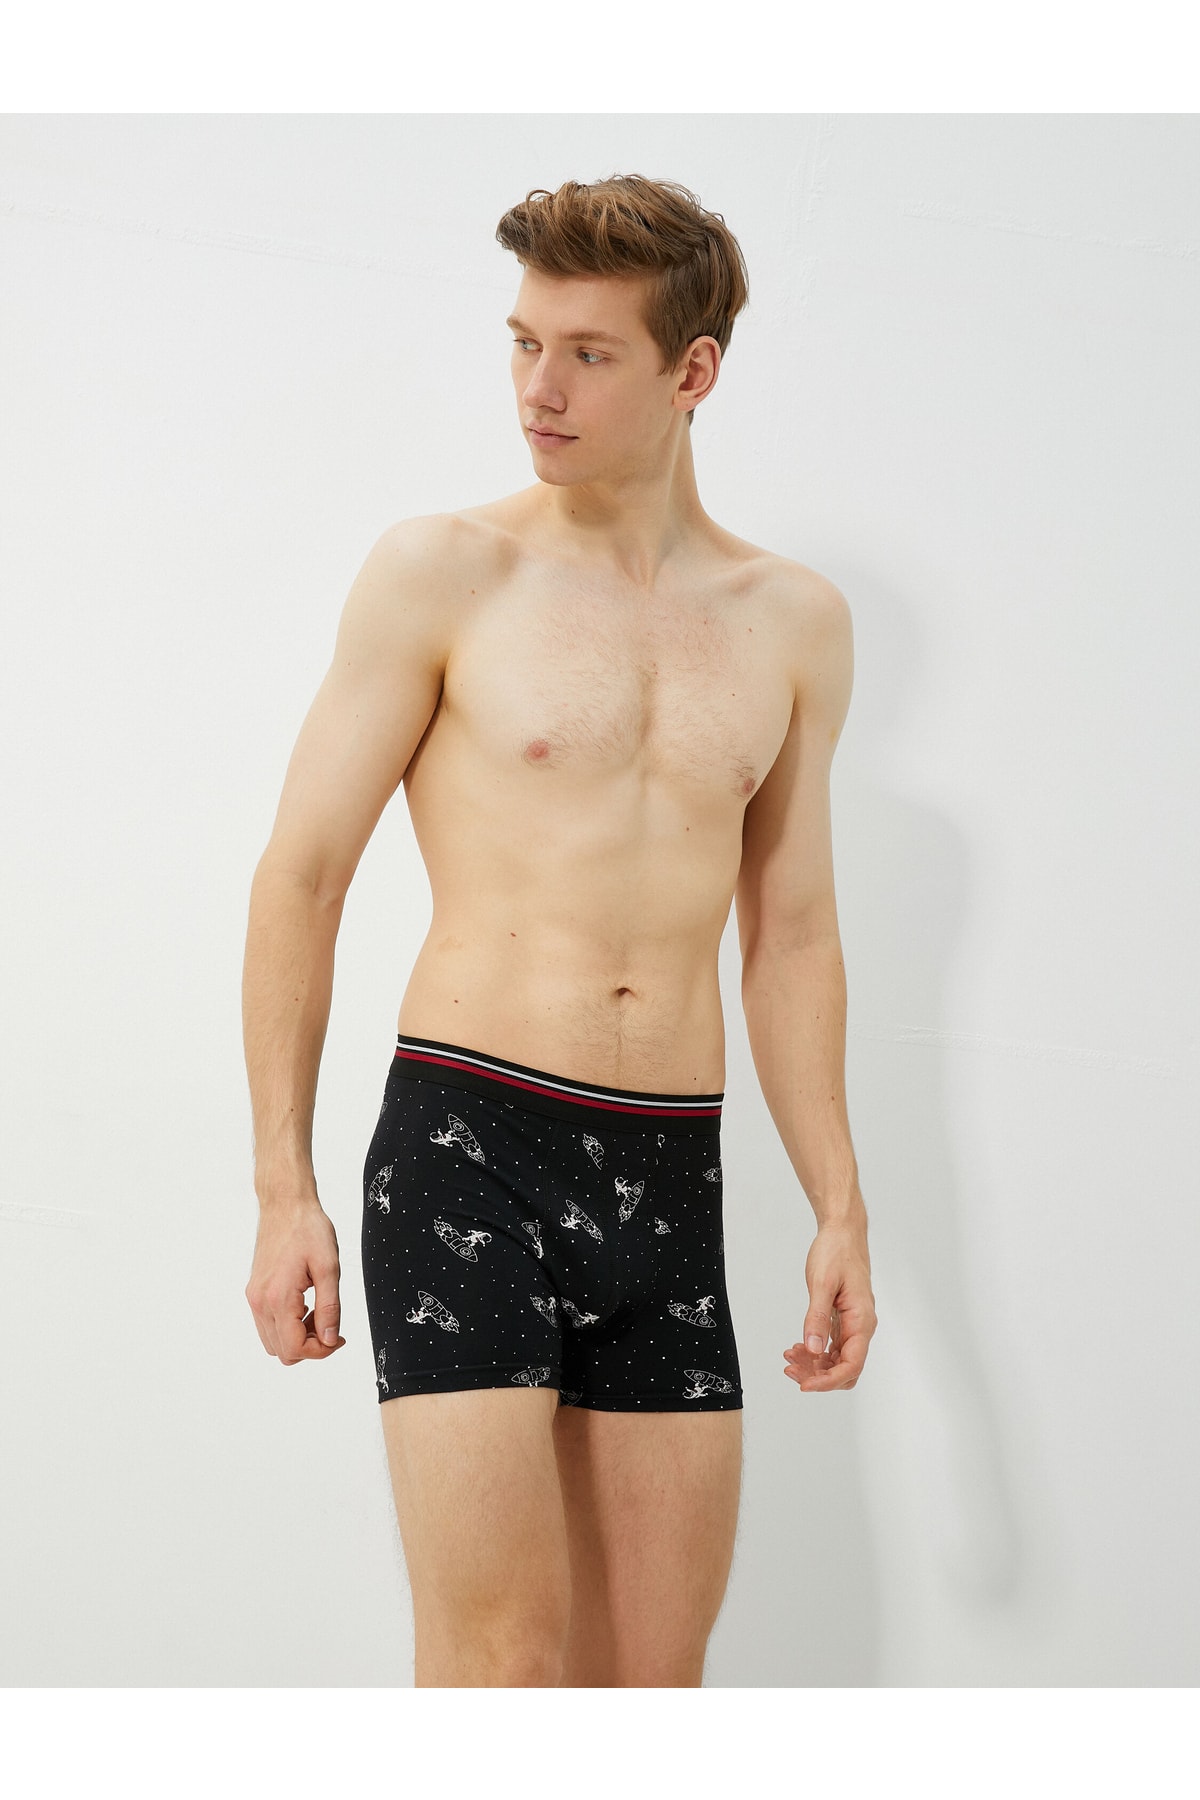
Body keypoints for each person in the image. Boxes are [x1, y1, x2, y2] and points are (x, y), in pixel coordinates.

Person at [242, 173, 877, 1688]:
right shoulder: (444, 573)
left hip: (670, 1164)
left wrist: (839, 1203)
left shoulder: (793, 621)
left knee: (650, 1683)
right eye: (526, 343)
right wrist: (282, 1186)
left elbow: (791, 936)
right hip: (471, 1141)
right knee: (502, 1665)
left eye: (590, 354)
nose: (540, 387)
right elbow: (302, 876)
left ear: (693, 370)